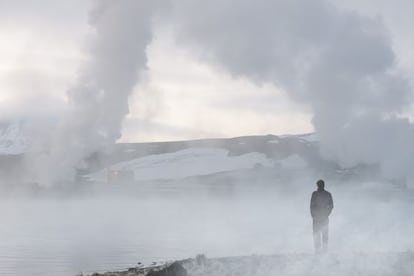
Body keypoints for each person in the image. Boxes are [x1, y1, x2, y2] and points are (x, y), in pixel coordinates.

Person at [310, 179, 333, 253]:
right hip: (318, 217)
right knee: (318, 234)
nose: (319, 186)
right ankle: (318, 250)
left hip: (322, 217)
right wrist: (314, 215)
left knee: (323, 234)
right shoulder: (316, 194)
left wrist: (326, 214)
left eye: (320, 185)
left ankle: (323, 250)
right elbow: (312, 206)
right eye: (319, 185)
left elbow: (331, 206)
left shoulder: (325, 194)